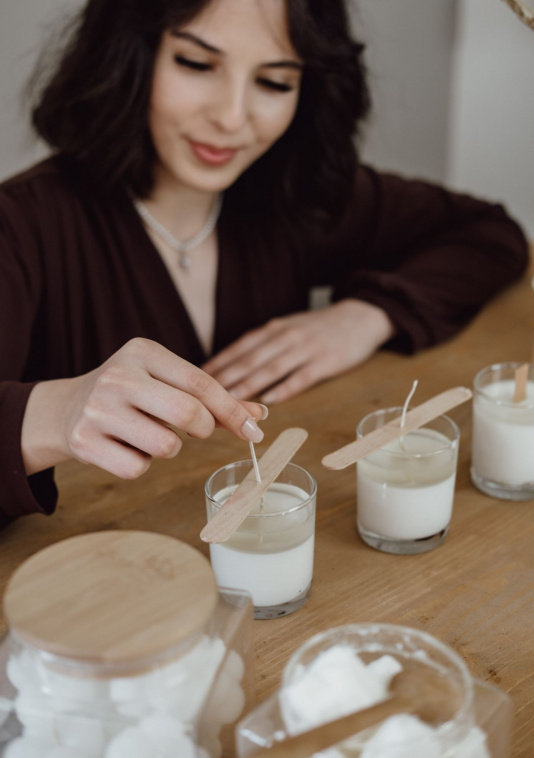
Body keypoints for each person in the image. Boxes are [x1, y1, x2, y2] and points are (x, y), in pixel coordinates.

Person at [0, 0, 528, 530]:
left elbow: (491, 234)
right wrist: (54, 413)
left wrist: (366, 315)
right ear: (128, 55)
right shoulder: (20, 225)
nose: (232, 117)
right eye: (197, 64)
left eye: (274, 82)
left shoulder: (290, 197)